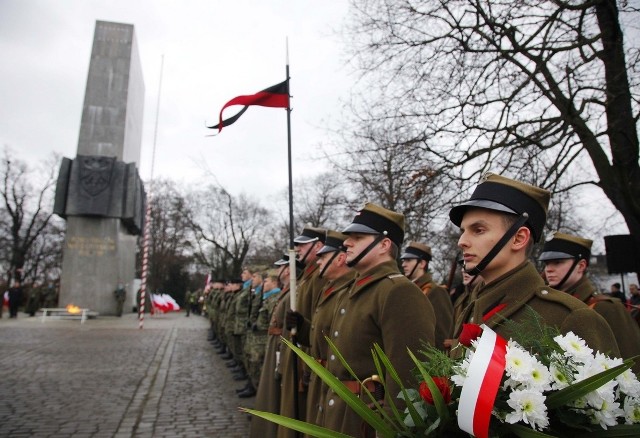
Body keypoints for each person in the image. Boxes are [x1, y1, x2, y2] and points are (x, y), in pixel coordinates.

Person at [449, 172, 619, 357]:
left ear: (519, 238)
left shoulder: (570, 318)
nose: (462, 241)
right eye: (463, 231)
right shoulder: (472, 307)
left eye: (478, 230)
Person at [318, 203, 436, 436]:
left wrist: (391, 430)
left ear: (383, 244)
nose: (347, 243)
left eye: (358, 237)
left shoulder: (398, 291)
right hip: (342, 413)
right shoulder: (353, 289)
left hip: (367, 422)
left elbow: (408, 380)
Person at [540, 232, 640, 372]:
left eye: (557, 262)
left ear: (581, 266)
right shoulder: (546, 304)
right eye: (546, 263)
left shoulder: (605, 307)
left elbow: (633, 362)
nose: (549, 269)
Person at [298, 229, 356, 430]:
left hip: (338, 384)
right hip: (321, 378)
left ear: (340, 258)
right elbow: (320, 336)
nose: (319, 261)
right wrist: (302, 326)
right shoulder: (329, 288)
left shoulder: (349, 291)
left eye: (324, 256)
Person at [250, 255, 293, 438]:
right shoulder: (286, 291)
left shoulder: (291, 292)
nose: (278, 271)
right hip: (273, 345)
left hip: (280, 346)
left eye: (282, 267)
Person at [400, 241, 453, 350]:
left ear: (422, 264)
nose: (403, 264)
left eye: (408, 260)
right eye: (404, 260)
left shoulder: (436, 291)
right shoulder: (409, 289)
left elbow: (442, 334)